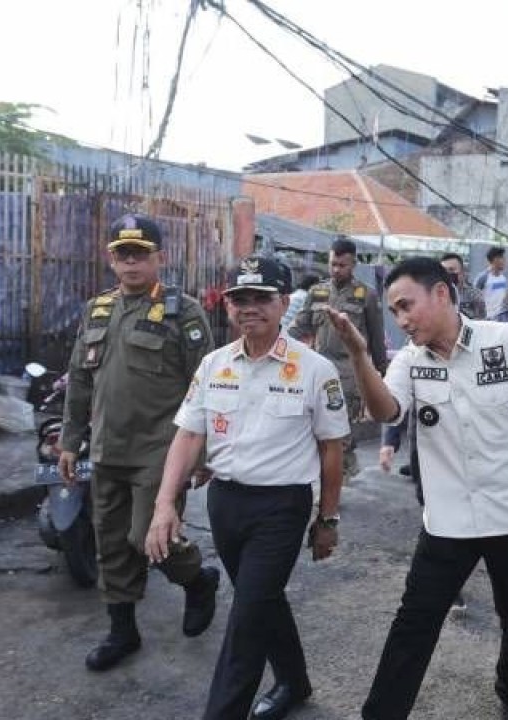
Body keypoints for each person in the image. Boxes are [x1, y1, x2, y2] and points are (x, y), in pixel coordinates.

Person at [326, 256, 508, 720]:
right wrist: (358, 355)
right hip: (447, 522)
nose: (402, 319)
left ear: (442, 294)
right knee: (413, 625)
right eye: (394, 312)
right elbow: (387, 412)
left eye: (407, 305)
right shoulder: (409, 361)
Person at [145, 256, 349, 720]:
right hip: (226, 502)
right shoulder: (214, 364)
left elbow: (331, 451)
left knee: (248, 614)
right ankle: (294, 682)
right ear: (227, 306)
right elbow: (189, 434)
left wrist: (328, 520)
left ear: (283, 304)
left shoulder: (314, 369)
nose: (249, 308)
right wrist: (164, 504)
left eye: (261, 298)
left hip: (282, 506)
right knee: (263, 600)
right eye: (240, 299)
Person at [59, 213, 221, 672]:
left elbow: (207, 384)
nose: (131, 262)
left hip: (162, 451)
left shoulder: (182, 311)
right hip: (108, 448)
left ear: (159, 258)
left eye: (140, 253)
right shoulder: (98, 310)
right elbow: (79, 379)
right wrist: (71, 440)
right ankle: (122, 630)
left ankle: (197, 580)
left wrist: (202, 453)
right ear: (111, 259)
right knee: (111, 542)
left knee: (147, 537)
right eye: (122, 254)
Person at [291, 238, 388, 480]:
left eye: (342, 265)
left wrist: (380, 372)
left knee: (340, 430)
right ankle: (336, 472)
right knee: (317, 428)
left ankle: (334, 484)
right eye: (333, 264)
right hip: (317, 370)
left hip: (349, 373)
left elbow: (376, 338)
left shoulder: (366, 295)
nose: (336, 270)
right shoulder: (317, 292)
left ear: (353, 263)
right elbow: (299, 326)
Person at [441, 252, 487, 320]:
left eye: (451, 270)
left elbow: (481, 320)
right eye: (444, 271)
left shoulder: (474, 294)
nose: (448, 274)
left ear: (462, 272)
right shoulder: (438, 295)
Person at [475, 246, 508, 320]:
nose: (504, 261)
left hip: (501, 318)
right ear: (495, 260)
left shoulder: (503, 278)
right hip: (487, 319)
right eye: (502, 258)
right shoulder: (483, 278)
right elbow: (474, 299)